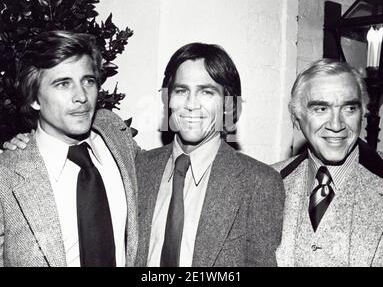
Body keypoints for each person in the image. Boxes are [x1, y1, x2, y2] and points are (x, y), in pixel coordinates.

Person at [134, 42, 285, 267]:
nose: (191, 104)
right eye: (181, 91)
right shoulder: (139, 169)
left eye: (206, 92)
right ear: (168, 100)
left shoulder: (259, 183)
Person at [0, 30, 138, 267]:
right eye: (63, 84)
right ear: (34, 98)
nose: (82, 96)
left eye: (88, 81)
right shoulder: (7, 174)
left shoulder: (115, 133)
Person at [272, 59, 383, 267]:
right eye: (321, 109)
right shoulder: (267, 183)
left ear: (363, 113)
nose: (336, 125)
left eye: (349, 108)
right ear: (297, 117)